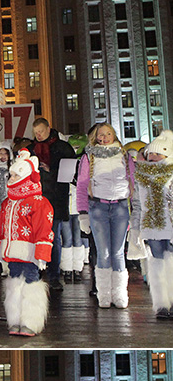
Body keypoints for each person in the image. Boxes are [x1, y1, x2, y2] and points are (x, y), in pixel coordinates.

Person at [0, 147, 54, 336]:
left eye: (15, 176)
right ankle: (15, 319)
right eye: (11, 176)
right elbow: (0, 227)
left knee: (31, 284)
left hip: (29, 253)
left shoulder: (38, 202)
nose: (10, 179)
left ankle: (30, 321)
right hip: (12, 253)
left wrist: (41, 254)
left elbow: (44, 229)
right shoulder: (7, 203)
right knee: (14, 281)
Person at [76, 122, 135, 310]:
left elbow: (133, 181)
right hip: (98, 208)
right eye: (101, 134)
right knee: (103, 252)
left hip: (119, 207)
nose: (104, 137)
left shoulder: (124, 156)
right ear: (96, 137)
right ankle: (104, 295)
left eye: (108, 134)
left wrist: (136, 211)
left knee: (118, 252)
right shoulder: (88, 157)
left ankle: (119, 294)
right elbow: (82, 186)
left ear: (114, 135)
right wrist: (83, 213)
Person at [128, 129, 173, 317]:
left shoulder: (170, 174)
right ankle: (162, 304)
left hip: (169, 225)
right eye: (150, 153)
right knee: (156, 262)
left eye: (157, 153)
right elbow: (137, 204)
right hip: (151, 227)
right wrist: (135, 229)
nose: (153, 156)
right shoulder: (142, 177)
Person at [28, 117, 76, 292]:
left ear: (49, 128)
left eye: (41, 131)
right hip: (35, 200)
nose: (38, 135)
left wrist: (51, 170)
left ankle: (54, 276)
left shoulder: (63, 148)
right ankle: (36, 273)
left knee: (53, 238)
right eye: (36, 133)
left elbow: (71, 173)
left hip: (55, 199)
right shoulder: (30, 149)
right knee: (34, 237)